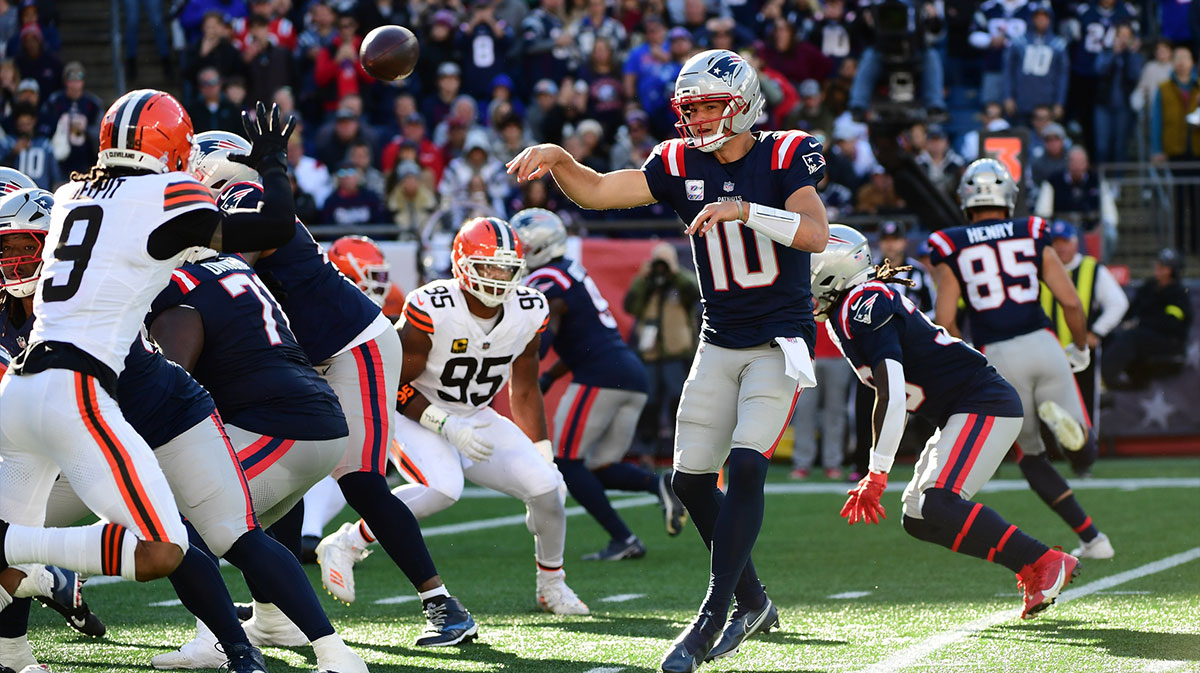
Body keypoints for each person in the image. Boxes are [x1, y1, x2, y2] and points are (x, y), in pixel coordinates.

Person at [507, 49, 829, 670]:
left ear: (744, 105)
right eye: (691, 108)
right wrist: (561, 161)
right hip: (719, 338)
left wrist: (745, 210)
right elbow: (599, 192)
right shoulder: (681, 161)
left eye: (711, 106)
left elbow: (815, 233)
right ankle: (755, 600)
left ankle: (714, 614)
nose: (700, 119)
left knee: (749, 466)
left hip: (779, 340)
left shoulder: (787, 152)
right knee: (688, 481)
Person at [0, 94, 298, 670]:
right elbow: (274, 226)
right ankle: (35, 564)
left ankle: (13, 643)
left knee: (20, 534)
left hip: (24, 391)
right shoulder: (165, 193)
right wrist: (272, 165)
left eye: (19, 245)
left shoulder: (69, 197)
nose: (15, 259)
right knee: (164, 545)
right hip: (75, 392)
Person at [190, 128, 479, 647]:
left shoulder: (245, 197)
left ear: (216, 164)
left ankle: (443, 604)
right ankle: (276, 613)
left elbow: (232, 268)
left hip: (354, 345)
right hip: (312, 353)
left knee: (360, 480)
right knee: (290, 475)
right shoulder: (236, 202)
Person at [322, 217, 590, 616]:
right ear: (463, 264)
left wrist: (543, 450)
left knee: (547, 488)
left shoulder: (530, 309)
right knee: (444, 487)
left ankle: (552, 583)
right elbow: (390, 382)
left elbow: (526, 384)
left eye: (505, 266)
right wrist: (442, 424)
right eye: (488, 266)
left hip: (476, 413)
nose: (498, 276)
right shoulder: (434, 306)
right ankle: (347, 541)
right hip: (414, 414)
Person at [813, 224, 1080, 620]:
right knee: (918, 517)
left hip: (982, 401)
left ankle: (1043, 560)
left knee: (940, 501)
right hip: (960, 409)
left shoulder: (863, 303)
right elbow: (893, 395)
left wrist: (877, 472)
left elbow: (891, 389)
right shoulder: (847, 309)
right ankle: (1029, 567)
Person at [143, 246, 363, 670]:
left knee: (186, 522)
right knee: (239, 527)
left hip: (282, 422)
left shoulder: (178, 289)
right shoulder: (231, 269)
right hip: (303, 415)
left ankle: (328, 653)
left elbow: (172, 383)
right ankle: (272, 625)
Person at [928, 158, 1114, 561]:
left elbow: (945, 319)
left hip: (998, 354)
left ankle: (1094, 540)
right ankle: (1075, 438)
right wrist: (1080, 348)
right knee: (1085, 449)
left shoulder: (951, 242)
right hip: (1044, 343)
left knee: (1030, 458)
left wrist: (967, 364)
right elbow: (1070, 302)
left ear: (966, 199)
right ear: (1008, 197)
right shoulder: (1029, 231)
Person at [513, 208, 687, 561]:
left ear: (539, 246)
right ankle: (660, 484)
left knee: (566, 462)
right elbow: (584, 339)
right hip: (629, 375)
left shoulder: (547, 280)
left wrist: (517, 347)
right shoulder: (569, 273)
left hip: (600, 377)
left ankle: (623, 538)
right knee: (598, 468)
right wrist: (549, 376)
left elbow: (549, 333)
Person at [1039, 220, 1128, 459]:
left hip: (1080, 352)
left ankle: (1084, 457)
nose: (1061, 248)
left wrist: (1096, 332)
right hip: (1046, 351)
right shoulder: (1038, 269)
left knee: (1082, 404)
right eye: (1055, 243)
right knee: (1046, 405)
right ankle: (1051, 455)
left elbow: (1118, 303)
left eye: (1065, 242)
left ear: (1076, 243)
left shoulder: (1091, 269)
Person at [623, 242, 699, 464]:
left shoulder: (680, 283)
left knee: (679, 403)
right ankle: (647, 452)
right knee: (649, 405)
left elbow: (693, 293)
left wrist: (675, 272)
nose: (661, 267)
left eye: (665, 261)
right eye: (659, 261)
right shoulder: (646, 285)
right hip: (650, 355)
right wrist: (642, 279)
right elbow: (630, 306)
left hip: (676, 355)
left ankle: (681, 453)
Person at [1102, 248, 1194, 389]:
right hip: (1143, 336)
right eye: (1158, 263)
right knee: (1110, 336)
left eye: (1163, 266)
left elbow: (1172, 324)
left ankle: (1105, 377)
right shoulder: (1149, 287)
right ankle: (1102, 377)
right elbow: (1130, 311)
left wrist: (1140, 323)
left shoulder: (1178, 294)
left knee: (1132, 337)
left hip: (1168, 342)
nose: (1158, 268)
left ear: (1172, 271)